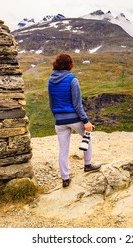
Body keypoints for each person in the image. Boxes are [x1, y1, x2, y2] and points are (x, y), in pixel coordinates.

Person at [48, 53, 101, 188]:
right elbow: (77, 105)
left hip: (59, 121)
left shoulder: (51, 80)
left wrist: (57, 117)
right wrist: (86, 121)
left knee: (63, 150)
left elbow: (51, 103)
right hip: (73, 118)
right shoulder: (72, 80)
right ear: (70, 64)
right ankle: (88, 165)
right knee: (87, 137)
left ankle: (65, 179)